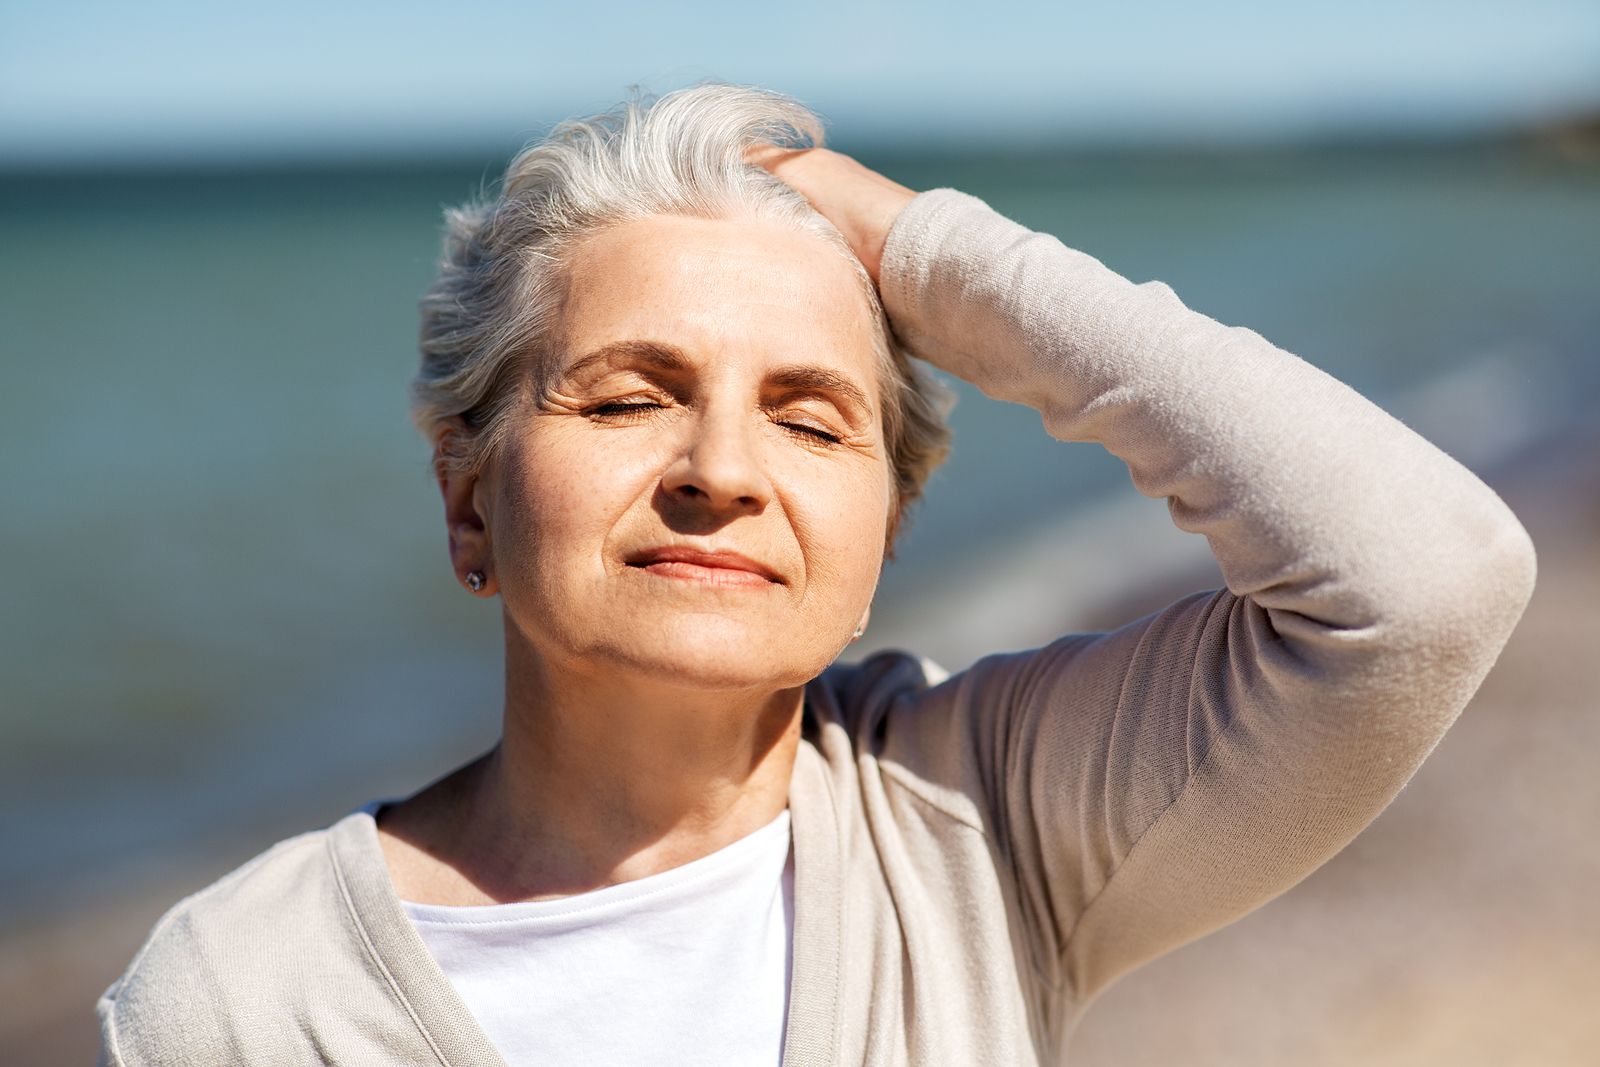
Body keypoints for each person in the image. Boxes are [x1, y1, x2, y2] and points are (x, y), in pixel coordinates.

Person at [95, 83, 1536, 1066]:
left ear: (887, 527)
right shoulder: (239, 994)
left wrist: (925, 248)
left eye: (809, 417)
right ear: (469, 500)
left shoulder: (977, 824)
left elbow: (1423, 579)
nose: (723, 468)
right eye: (626, 396)